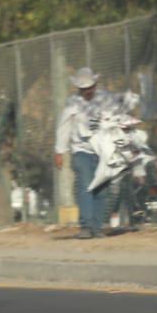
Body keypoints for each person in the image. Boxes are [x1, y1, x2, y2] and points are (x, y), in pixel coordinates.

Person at [53, 67, 122, 239]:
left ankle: (97, 227)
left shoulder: (106, 99)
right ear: (79, 89)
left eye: (90, 87)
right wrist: (60, 151)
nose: (88, 91)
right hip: (81, 150)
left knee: (101, 188)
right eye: (84, 89)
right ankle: (85, 226)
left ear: (95, 85)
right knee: (85, 185)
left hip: (102, 150)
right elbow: (64, 126)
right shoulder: (73, 103)